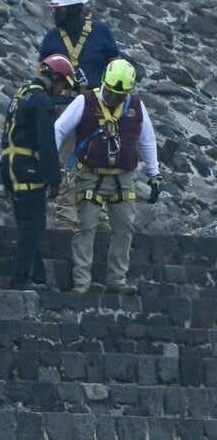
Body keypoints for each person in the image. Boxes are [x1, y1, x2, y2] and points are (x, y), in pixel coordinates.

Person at [54, 59, 163, 295]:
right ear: (105, 83)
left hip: (123, 178)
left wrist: (154, 174)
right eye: (112, 93)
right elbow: (59, 129)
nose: (115, 98)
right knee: (86, 227)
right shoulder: (85, 101)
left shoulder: (136, 106)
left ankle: (117, 279)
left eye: (121, 95)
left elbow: (147, 139)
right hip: (90, 175)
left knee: (124, 227)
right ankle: (81, 281)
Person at [38, 0, 122, 231]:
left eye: (59, 9)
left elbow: (115, 67)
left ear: (75, 9)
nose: (55, 14)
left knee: (97, 163)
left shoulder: (101, 31)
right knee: (65, 163)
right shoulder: (52, 36)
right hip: (63, 107)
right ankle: (66, 219)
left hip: (95, 108)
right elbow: (42, 74)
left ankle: (99, 219)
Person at [0, 55, 76, 291]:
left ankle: (39, 277)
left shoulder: (21, 94)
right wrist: (54, 177)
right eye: (62, 85)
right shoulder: (42, 101)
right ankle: (21, 276)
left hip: (9, 163)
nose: (61, 91)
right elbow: (46, 141)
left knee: (28, 222)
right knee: (33, 223)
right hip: (26, 166)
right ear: (55, 76)